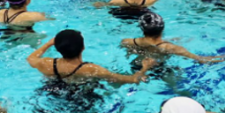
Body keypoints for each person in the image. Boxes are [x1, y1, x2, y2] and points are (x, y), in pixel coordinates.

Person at [27, 29, 157, 84]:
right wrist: (145, 68)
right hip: (84, 98)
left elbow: (31, 59)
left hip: (54, 94)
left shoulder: (46, 64)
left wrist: (48, 44)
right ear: (83, 48)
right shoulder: (92, 69)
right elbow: (132, 80)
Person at [121, 13, 221, 62]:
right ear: (162, 28)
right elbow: (202, 60)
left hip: (136, 66)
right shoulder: (169, 47)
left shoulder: (127, 42)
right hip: (159, 69)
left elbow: (147, 45)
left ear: (142, 29)